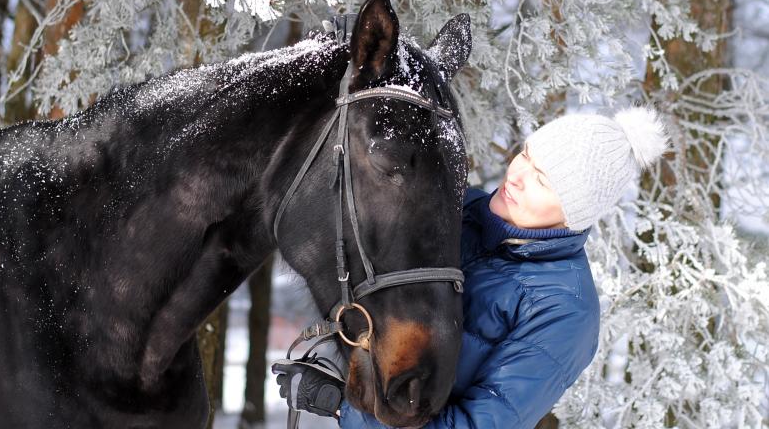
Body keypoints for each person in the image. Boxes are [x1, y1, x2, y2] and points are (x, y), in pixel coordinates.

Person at [274, 106, 669, 428]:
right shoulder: (455, 210)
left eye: (543, 181)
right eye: (526, 155)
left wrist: (345, 405)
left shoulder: (565, 311)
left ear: (574, 214)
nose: (517, 176)